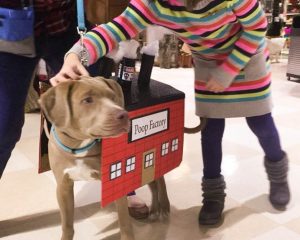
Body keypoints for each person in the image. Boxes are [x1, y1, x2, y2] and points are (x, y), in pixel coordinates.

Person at [51, 0, 290, 226]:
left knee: (261, 123)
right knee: (211, 130)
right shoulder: (153, 4)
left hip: (247, 57)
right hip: (208, 62)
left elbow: (257, 27)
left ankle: (278, 175)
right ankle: (213, 195)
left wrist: (228, 70)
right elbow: (116, 28)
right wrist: (75, 55)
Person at [0, 0, 148, 220]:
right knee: (5, 125)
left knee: (102, 105)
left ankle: (123, 184)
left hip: (66, 24)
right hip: (10, 31)